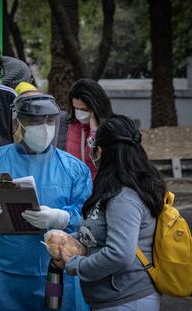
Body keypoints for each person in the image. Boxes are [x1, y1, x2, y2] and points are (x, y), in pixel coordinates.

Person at [0, 91, 91, 311]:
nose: (44, 127)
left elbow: (88, 216)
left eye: (49, 121)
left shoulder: (73, 169)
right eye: (35, 121)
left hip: (57, 273)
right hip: (3, 277)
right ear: (18, 122)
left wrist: (61, 217)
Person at [57, 115, 165, 310]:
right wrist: (68, 241)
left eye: (94, 145)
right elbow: (100, 233)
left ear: (104, 150)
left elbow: (119, 253)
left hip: (127, 300)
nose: (92, 150)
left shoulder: (124, 197)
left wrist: (76, 265)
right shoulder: (113, 188)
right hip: (113, 300)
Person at [66, 78, 113, 179]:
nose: (79, 113)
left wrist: (94, 132)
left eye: (84, 110)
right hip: (76, 191)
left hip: (99, 189)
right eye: (76, 108)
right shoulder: (70, 127)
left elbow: (104, 163)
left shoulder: (112, 128)